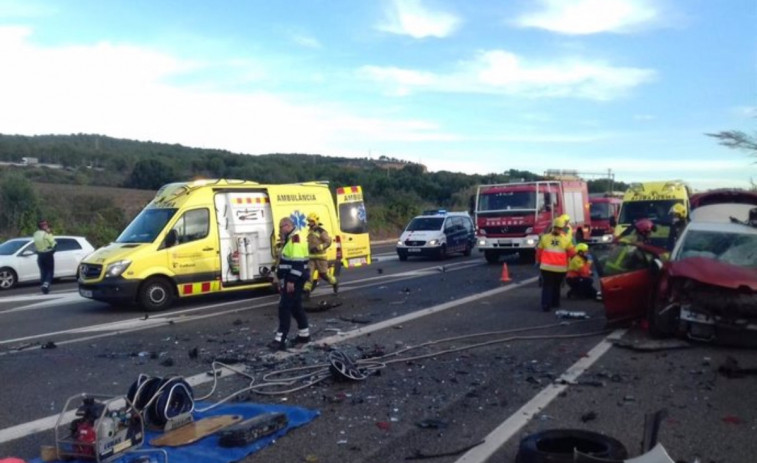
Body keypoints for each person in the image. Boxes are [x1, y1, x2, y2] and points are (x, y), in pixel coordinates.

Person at [269, 217, 310, 351]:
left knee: (284, 307)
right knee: (296, 307)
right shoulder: (291, 240)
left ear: (287, 226)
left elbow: (297, 263)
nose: (280, 231)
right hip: (293, 278)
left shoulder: (295, 240)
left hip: (294, 280)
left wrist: (291, 280)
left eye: (281, 227)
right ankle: (304, 335)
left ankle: (280, 339)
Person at [536, 216, 575, 312]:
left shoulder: (544, 238)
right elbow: (572, 253)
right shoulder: (566, 240)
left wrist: (539, 262)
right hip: (560, 268)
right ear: (562, 228)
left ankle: (546, 305)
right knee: (556, 286)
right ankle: (555, 303)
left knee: (547, 286)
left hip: (546, 267)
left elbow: (539, 252)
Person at [303, 212, 338, 298]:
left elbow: (328, 241)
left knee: (324, 274)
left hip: (320, 257)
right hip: (311, 258)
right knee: (308, 275)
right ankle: (307, 293)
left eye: (311, 221)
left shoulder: (321, 231)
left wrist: (319, 247)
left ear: (316, 221)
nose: (309, 223)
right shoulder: (310, 231)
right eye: (309, 221)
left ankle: (335, 283)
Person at [33, 219, 57, 294]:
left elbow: (35, 244)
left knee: (43, 272)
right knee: (50, 271)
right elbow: (53, 243)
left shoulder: (35, 234)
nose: (46, 226)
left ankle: (43, 286)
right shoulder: (46, 234)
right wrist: (49, 233)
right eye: (45, 225)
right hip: (48, 254)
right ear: (43, 226)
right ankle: (46, 285)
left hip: (40, 255)